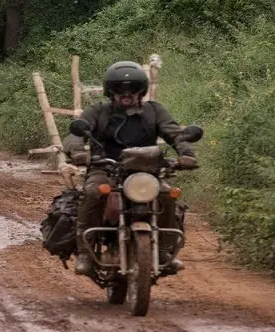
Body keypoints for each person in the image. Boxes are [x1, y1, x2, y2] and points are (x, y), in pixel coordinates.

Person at [62, 61, 198, 276]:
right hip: (105, 168)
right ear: (110, 91)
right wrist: (78, 153)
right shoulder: (98, 111)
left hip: (145, 172)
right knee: (94, 192)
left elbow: (174, 132)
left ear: (141, 91)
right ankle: (85, 252)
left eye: (133, 89)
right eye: (119, 89)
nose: (126, 94)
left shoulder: (154, 111)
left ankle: (163, 251)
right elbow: (75, 134)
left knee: (166, 194)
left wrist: (186, 154)